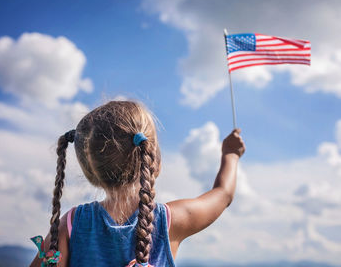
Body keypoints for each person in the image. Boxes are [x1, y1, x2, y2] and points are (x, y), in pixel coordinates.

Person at [29, 100, 245, 267]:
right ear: (153, 160)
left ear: (90, 171)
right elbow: (223, 194)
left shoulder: (71, 224)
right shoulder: (170, 221)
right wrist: (231, 155)